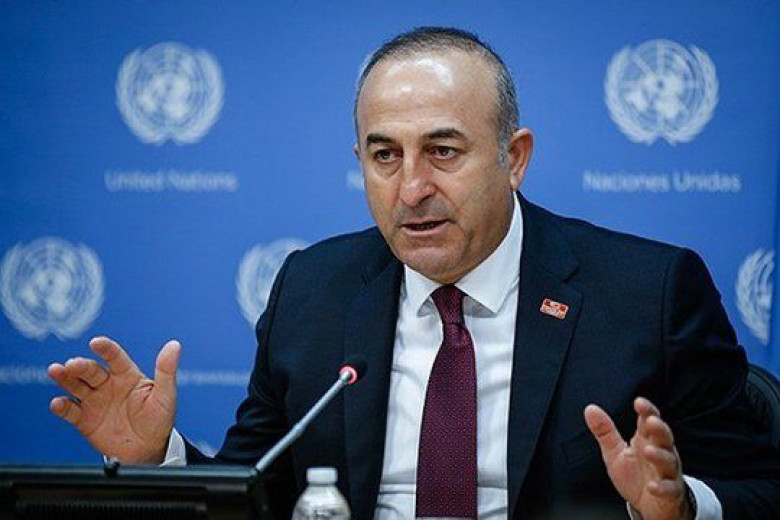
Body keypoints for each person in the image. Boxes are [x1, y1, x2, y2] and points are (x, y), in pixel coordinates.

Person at [48, 27, 779, 519]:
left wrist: (682, 505)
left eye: (443, 151)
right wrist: (159, 461)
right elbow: (258, 490)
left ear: (514, 158)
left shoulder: (649, 292)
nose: (411, 189)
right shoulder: (312, 289)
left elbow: (762, 488)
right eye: (384, 155)